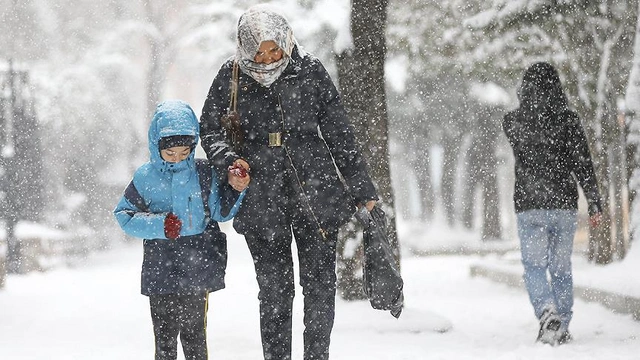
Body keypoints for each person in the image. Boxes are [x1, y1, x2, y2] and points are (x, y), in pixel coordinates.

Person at [199, 6, 378, 360]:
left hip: (317, 193)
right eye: (259, 52)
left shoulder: (310, 70)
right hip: (260, 198)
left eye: (274, 49)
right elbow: (211, 129)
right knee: (274, 291)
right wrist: (229, 161)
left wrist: (362, 190)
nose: (267, 59)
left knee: (320, 288)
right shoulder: (230, 75)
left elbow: (340, 133)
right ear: (244, 48)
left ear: (285, 40)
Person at [114, 99, 247, 360]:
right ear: (156, 146)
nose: (178, 159)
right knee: (164, 338)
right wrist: (160, 225)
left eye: (185, 152)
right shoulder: (145, 177)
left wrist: (237, 189)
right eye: (170, 153)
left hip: (197, 263)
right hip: (160, 263)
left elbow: (220, 212)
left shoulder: (203, 173)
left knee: (195, 334)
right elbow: (124, 215)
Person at [503, 62, 603, 346]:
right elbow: (583, 163)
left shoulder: (513, 121)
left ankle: (548, 312)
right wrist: (594, 202)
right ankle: (563, 324)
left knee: (534, 267)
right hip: (563, 205)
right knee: (561, 268)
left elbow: (524, 138)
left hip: (530, 205)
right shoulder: (568, 121)